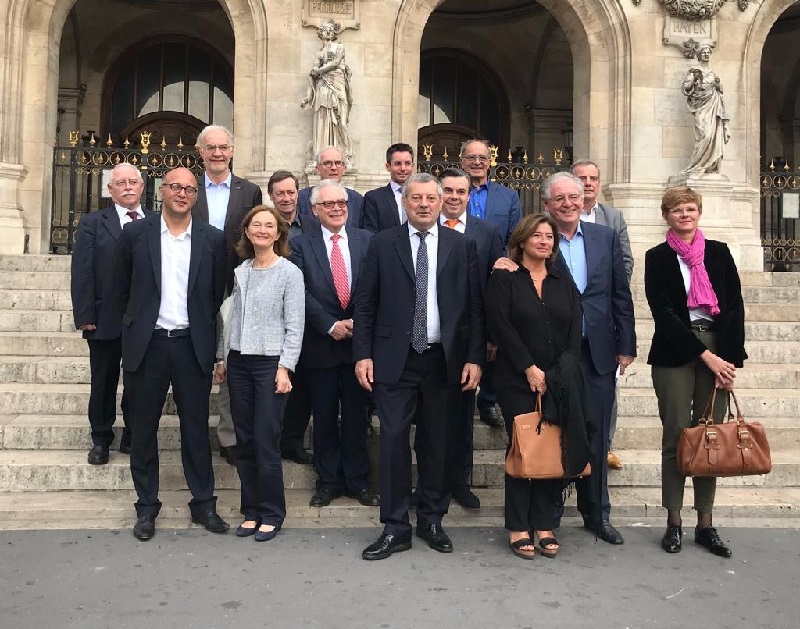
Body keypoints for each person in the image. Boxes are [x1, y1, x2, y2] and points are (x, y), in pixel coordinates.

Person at [354, 173, 484, 561]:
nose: (424, 204)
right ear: (405, 203)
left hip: (445, 360)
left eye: (432, 197)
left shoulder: (463, 246)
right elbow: (366, 303)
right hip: (395, 360)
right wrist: (363, 353)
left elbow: (476, 307)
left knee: (437, 443)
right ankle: (395, 527)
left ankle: (431, 518)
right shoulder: (382, 243)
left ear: (443, 201)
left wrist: (475, 357)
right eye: (416, 198)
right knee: (393, 439)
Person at [112, 167, 228, 541]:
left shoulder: (212, 239)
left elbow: (215, 294)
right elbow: (120, 290)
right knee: (143, 429)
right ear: (162, 191)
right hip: (148, 345)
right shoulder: (134, 235)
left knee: (195, 429)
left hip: (191, 345)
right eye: (175, 187)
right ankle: (146, 508)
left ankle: (204, 504)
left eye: (189, 189)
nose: (182, 193)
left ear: (197, 196)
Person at [645, 186, 746, 557]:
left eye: (690, 209)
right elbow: (665, 315)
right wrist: (706, 356)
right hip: (675, 353)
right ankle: (673, 521)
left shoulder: (718, 253)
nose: (684, 215)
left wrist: (729, 358)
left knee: (711, 439)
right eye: (676, 210)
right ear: (666, 216)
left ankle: (705, 523)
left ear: (699, 212)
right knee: (675, 436)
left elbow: (734, 306)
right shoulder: (656, 257)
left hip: (719, 350)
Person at [486, 214, 586, 560]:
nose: (544, 241)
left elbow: (575, 327)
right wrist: (529, 368)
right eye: (538, 236)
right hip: (516, 378)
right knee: (524, 446)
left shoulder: (562, 280)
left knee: (552, 447)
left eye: (549, 237)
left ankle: (544, 523)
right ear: (523, 240)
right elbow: (502, 327)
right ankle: (517, 525)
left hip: (558, 379)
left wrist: (559, 372)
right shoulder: (505, 278)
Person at [214, 205, 305, 542]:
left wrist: (286, 367)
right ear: (248, 233)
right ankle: (250, 510)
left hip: (270, 365)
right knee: (245, 440)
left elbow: (295, 325)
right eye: (257, 225)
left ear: (279, 233)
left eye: (269, 225)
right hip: (238, 364)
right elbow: (230, 319)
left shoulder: (290, 273)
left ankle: (271, 512)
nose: (263, 230)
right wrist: (221, 359)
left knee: (266, 440)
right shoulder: (241, 271)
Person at [417, 167, 502, 510]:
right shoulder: (425, 231)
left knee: (463, 418)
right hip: (429, 338)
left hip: (468, 339)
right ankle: (427, 485)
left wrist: (489, 340)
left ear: (470, 196)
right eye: (447, 191)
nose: (453, 197)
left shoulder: (486, 233)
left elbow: (493, 289)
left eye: (460, 192)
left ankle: (460, 482)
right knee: (427, 421)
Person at [290, 180, 378, 508]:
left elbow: (374, 288)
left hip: (359, 346)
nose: (337, 208)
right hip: (321, 345)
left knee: (357, 418)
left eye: (341, 202)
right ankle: (328, 481)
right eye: (329, 204)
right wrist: (329, 324)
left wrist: (360, 323)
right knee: (324, 417)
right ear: (314, 210)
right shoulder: (300, 245)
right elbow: (299, 291)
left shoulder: (367, 240)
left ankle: (357, 481)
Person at [191, 124, 263, 467]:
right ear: (200, 151)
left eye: (223, 147)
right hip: (196, 280)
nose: (217, 153)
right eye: (211, 147)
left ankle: (230, 436)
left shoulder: (249, 191)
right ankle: (194, 430)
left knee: (232, 355)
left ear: (232, 151)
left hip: (238, 281)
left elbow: (256, 236)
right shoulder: (188, 188)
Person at [71, 163, 152, 464]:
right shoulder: (94, 223)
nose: (128, 187)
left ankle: (132, 433)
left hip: (142, 319)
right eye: (121, 183)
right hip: (104, 318)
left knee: (138, 381)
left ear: (142, 187)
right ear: (110, 189)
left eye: (133, 181)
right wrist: (84, 315)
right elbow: (82, 272)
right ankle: (101, 438)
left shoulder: (156, 221)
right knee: (103, 380)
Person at [571, 158, 633, 471]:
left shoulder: (613, 217)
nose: (588, 183)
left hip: (601, 316)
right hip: (567, 322)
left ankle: (604, 448)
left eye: (593, 177)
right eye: (581, 177)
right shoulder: (552, 220)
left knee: (607, 392)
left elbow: (625, 263)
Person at [459, 139, 521, 429]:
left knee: (494, 337)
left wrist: (502, 263)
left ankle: (488, 401)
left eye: (482, 157)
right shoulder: (452, 192)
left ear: (490, 161)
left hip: (494, 275)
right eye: (471, 157)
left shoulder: (507, 197)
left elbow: (514, 236)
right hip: (456, 272)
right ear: (462, 161)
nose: (477, 162)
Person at [268, 170, 315, 466]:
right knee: (271, 382)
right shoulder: (262, 223)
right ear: (271, 195)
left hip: (304, 314)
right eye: (280, 193)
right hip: (271, 316)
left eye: (290, 192)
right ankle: (270, 440)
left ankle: (293, 441)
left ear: (298, 193)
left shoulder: (311, 224)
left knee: (302, 384)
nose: (286, 198)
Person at [300, 19, 353, 161]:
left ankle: (342, 152)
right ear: (321, 34)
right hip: (323, 85)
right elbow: (313, 70)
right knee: (323, 116)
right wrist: (308, 96)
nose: (328, 31)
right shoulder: (319, 53)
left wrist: (319, 71)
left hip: (337, 84)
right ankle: (321, 154)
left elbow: (336, 62)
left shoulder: (339, 47)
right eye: (325, 29)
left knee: (340, 120)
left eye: (330, 29)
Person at [680, 44, 730, 175]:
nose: (707, 54)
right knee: (704, 135)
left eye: (708, 52)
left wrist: (718, 83)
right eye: (704, 52)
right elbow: (686, 88)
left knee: (711, 135)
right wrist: (693, 82)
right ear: (699, 55)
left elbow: (721, 89)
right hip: (700, 106)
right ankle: (696, 165)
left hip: (713, 105)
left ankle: (710, 165)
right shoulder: (694, 71)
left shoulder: (713, 74)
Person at [297, 146, 364, 228]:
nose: (334, 168)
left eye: (338, 163)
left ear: (344, 168)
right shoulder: (301, 198)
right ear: (317, 169)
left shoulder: (357, 200)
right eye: (328, 163)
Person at [363, 143, 415, 233]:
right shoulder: (374, 198)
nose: (403, 168)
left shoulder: (424, 197)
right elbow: (371, 234)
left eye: (407, 163)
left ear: (413, 166)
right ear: (388, 167)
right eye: (397, 164)